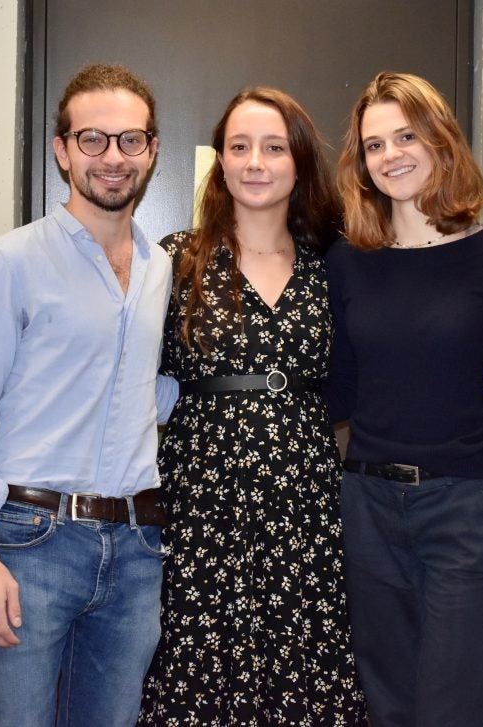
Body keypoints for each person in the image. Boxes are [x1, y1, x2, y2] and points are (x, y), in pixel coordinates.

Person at [0, 64, 172, 727]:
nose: (112, 158)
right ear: (62, 150)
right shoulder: (12, 261)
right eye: (93, 139)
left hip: (135, 551)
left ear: (152, 151)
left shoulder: (160, 269)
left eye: (130, 140)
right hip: (31, 543)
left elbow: (143, 389)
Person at [138, 87, 367, 726]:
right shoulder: (177, 257)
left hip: (304, 508)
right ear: (220, 160)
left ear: (298, 161)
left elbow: (352, 381)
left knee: (305, 675)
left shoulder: (333, 265)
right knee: (197, 678)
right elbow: (133, 380)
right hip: (199, 508)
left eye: (273, 147)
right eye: (239, 147)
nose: (256, 162)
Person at [326, 71, 483, 727]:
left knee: (450, 710)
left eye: (406, 136)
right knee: (384, 704)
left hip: (463, 512)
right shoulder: (345, 260)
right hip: (366, 506)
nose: (391, 156)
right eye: (375, 145)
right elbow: (337, 393)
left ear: (441, 140)